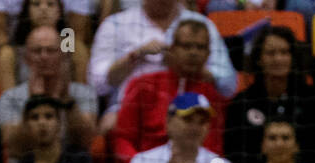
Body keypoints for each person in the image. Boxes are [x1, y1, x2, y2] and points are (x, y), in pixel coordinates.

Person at [88, 0, 236, 128]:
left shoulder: (202, 25)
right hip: (129, 108)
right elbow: (97, 83)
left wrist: (187, 66)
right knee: (111, 123)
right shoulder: (115, 24)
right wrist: (134, 56)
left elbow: (229, 85)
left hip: (191, 107)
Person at [111, 20, 225, 163]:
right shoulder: (143, 85)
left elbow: (214, 148)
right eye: (186, 46)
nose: (193, 52)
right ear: (172, 49)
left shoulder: (213, 95)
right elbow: (122, 139)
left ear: (208, 54)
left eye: (200, 47)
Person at [222, 25, 315, 163]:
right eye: (270, 53)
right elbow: (234, 154)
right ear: (259, 59)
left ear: (292, 58)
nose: (278, 59)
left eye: (284, 52)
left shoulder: (313, 99)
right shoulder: (241, 103)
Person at [0, 25, 98, 156]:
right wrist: (33, 102)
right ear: (26, 57)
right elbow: (14, 148)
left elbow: (85, 141)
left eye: (51, 50)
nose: (44, 56)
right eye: (37, 51)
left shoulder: (84, 93)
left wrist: (67, 101)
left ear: (62, 55)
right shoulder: (9, 97)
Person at [0, 0, 89, 93]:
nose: (43, 9)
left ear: (60, 11)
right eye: (36, 4)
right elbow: (8, 98)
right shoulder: (9, 53)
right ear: (27, 10)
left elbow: (82, 94)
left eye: (50, 4)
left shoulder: (75, 50)